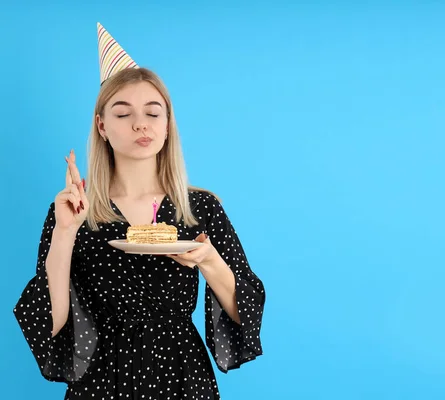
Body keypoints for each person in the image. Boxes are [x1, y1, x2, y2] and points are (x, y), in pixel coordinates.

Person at [13, 23, 265, 400]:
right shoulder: (74, 210)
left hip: (182, 375)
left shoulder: (200, 208)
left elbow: (246, 312)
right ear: (101, 126)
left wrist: (209, 260)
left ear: (167, 126)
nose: (140, 124)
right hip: (100, 378)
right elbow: (50, 323)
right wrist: (65, 232)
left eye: (153, 112)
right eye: (122, 113)